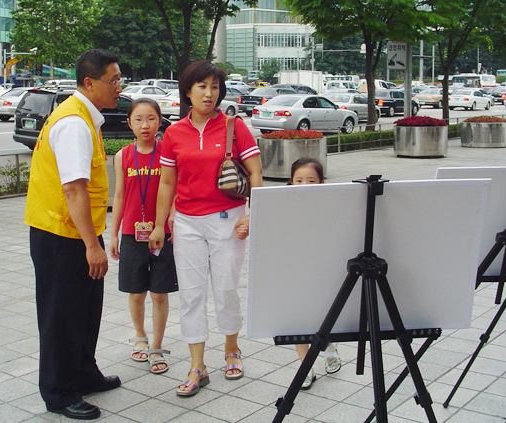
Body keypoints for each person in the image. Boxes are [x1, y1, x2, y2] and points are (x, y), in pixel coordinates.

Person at [148, 60, 262, 397]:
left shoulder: (233, 127)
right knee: (191, 294)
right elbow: (167, 182)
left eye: (214, 87)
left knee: (226, 289)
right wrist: (159, 224)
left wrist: (252, 214)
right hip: (187, 223)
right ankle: (197, 365)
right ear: (187, 90)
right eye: (202, 87)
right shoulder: (173, 133)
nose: (209, 93)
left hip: (228, 219)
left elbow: (256, 173)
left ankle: (231, 349)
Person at [24, 49, 123, 420]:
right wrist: (92, 245)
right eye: (113, 80)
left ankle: (83, 372)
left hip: (75, 234)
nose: (119, 87)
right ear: (89, 83)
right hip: (62, 237)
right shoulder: (73, 124)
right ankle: (59, 392)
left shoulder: (85, 118)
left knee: (85, 310)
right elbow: (74, 190)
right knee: (61, 315)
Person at [110, 98, 178, 374]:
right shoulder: (122, 155)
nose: (145, 125)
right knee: (136, 292)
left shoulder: (167, 152)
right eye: (138, 119)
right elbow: (119, 195)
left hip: (164, 234)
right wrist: (113, 234)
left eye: (151, 118)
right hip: (131, 234)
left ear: (160, 121)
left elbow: (175, 188)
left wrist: (170, 216)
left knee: (159, 294)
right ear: (129, 123)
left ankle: (157, 346)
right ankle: (140, 336)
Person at [287, 157, 342, 390]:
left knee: (322, 313)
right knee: (297, 316)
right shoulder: (282, 203)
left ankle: (329, 346)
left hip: (320, 270)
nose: (304, 184)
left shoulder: (329, 206)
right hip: (294, 269)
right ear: (290, 182)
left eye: (310, 180)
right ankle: (305, 366)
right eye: (298, 179)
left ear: (321, 183)